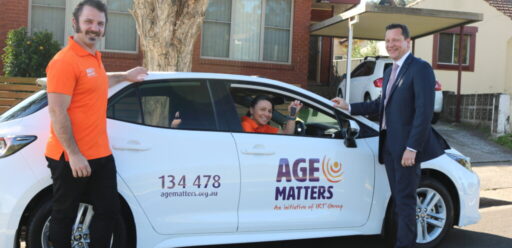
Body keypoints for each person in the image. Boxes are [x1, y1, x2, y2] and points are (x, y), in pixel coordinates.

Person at [44, 0, 148, 247]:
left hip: (100, 153)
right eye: (89, 21)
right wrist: (74, 153)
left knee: (109, 212)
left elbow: (98, 81)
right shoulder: (64, 61)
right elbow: (57, 110)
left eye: (100, 23)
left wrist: (124, 76)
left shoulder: (93, 58)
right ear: (75, 23)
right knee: (64, 215)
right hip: (70, 156)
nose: (94, 28)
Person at [332, 24, 445, 248]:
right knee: (399, 202)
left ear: (407, 42)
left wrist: (412, 148)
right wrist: (349, 107)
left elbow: (424, 112)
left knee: (405, 203)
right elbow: (379, 105)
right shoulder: (389, 70)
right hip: (390, 147)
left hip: (406, 150)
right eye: (388, 40)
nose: (391, 44)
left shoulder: (420, 68)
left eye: (396, 40)